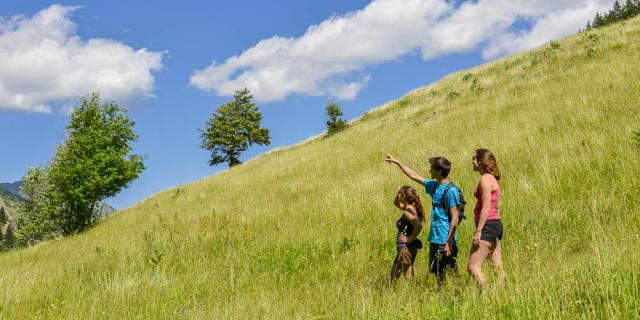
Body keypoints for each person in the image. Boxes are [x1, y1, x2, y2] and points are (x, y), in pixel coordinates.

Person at [385, 154, 461, 285]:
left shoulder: (451, 191)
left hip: (445, 238)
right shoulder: (434, 185)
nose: (429, 171)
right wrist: (398, 162)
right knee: (438, 272)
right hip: (435, 238)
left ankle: (459, 293)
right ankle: (442, 295)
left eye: (432, 169)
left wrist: (449, 241)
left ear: (439, 171)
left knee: (451, 270)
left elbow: (455, 217)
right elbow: (414, 176)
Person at [467, 148, 505, 288]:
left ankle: (487, 293)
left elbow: (486, 207)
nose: (472, 161)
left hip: (488, 226)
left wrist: (478, 231)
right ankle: (501, 295)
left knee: (472, 267)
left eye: (474, 158)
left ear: (481, 161)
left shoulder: (485, 179)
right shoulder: (492, 178)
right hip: (496, 225)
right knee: (497, 267)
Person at [387, 186, 424, 286]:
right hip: (407, 247)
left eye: (400, 193)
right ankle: (389, 294)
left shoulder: (407, 211)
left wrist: (410, 238)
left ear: (404, 196)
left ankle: (416, 295)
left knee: (408, 277)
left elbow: (418, 226)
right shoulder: (411, 207)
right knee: (391, 277)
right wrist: (398, 194)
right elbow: (395, 203)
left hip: (405, 247)